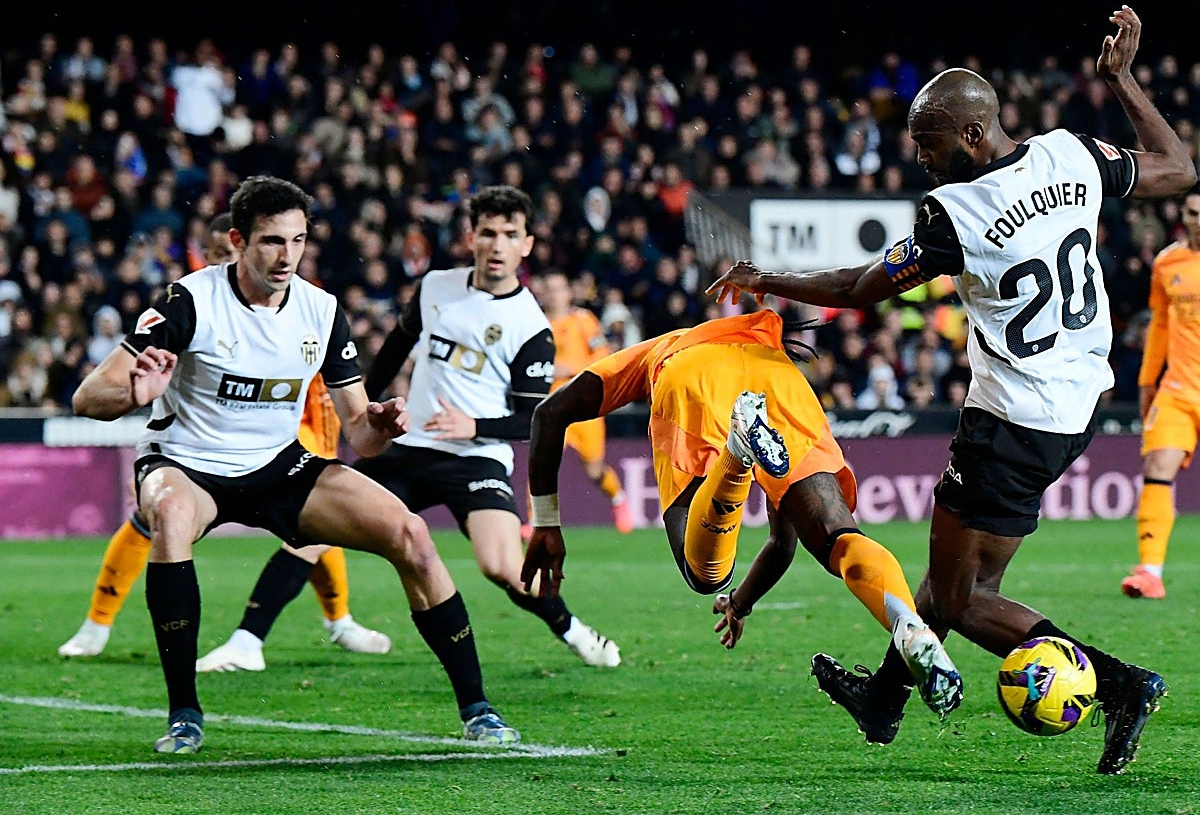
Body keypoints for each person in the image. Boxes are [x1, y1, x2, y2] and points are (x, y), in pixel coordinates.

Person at [705, 6, 1196, 775]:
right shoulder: (1070, 156)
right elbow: (1180, 167)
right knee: (955, 579)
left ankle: (1121, 685)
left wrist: (764, 277)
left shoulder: (955, 214)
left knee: (961, 600)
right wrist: (1123, 81)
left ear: (970, 136)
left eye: (928, 147)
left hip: (1009, 421)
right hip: (1077, 407)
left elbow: (861, 287)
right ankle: (885, 701)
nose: (923, 163)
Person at [71, 176, 519, 753]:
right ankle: (184, 713)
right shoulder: (188, 302)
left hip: (280, 467)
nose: (287, 257)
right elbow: (87, 399)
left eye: (298, 240)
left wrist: (378, 427)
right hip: (188, 463)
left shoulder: (321, 311)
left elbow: (359, 429)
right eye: (271, 242)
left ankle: (478, 709)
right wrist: (133, 396)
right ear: (238, 241)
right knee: (173, 515)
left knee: (411, 533)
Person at [197, 185, 621, 672]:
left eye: (510, 235)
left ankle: (573, 630)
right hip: (409, 448)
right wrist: (360, 407)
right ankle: (246, 644)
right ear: (470, 237)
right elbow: (396, 348)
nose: (497, 245)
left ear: (526, 245)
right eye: (487, 233)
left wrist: (473, 425)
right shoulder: (438, 287)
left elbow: (533, 420)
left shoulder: (531, 328)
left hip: (476, 458)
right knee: (310, 534)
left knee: (502, 565)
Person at [519, 308, 964, 721]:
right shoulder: (756, 343)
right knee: (837, 537)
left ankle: (736, 453)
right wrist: (743, 603)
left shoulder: (659, 348)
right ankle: (909, 623)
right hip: (778, 375)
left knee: (704, 574)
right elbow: (782, 543)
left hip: (692, 374)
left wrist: (545, 521)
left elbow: (549, 413)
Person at [59, 213, 392, 662]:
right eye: (220, 253)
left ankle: (333, 618)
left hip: (297, 419)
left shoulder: (305, 307)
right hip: (202, 440)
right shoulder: (195, 302)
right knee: (152, 516)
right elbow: (109, 389)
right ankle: (99, 623)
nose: (231, 260)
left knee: (315, 521)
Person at [1122, 187, 1200, 600]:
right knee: (1157, 467)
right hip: (1179, 389)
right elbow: (1160, 329)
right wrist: (1147, 385)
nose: (1198, 221)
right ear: (1182, 214)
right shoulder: (1168, 262)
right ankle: (1150, 572)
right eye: (1192, 212)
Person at [527, 268, 634, 535]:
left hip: (584, 409)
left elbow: (603, 356)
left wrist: (569, 368)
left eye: (558, 288)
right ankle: (535, 521)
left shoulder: (583, 321)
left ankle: (618, 499)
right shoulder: (533, 324)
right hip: (551, 408)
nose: (553, 294)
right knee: (542, 464)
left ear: (568, 292)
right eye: (548, 288)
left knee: (594, 470)